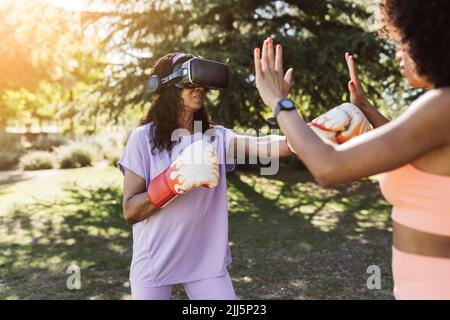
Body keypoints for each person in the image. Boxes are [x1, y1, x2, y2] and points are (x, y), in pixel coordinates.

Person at [253, 0, 450, 299]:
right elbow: (414, 153)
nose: (398, 51)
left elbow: (329, 168)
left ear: (430, 38)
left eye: (402, 40)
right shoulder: (439, 113)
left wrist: (279, 102)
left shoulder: (442, 108)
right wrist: (365, 108)